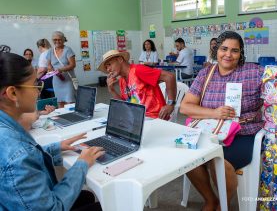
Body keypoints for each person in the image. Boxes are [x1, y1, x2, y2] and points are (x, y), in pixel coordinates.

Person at [0, 52, 104, 210]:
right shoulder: (17, 154)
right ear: (12, 93)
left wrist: (55, 148)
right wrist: (81, 164)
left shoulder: (8, 133)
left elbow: (24, 159)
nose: (38, 91)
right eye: (35, 85)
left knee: (86, 196)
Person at [180, 31, 264, 211]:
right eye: (224, 49)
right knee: (187, 156)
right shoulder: (205, 74)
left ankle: (223, 203)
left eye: (235, 50)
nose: (228, 54)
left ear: (241, 54)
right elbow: (185, 107)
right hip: (210, 130)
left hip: (243, 132)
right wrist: (214, 112)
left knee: (217, 160)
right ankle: (210, 200)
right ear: (216, 49)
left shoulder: (253, 72)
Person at [98, 50, 177, 120]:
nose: (108, 69)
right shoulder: (122, 80)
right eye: (106, 67)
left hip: (154, 118)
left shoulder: (138, 70)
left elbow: (169, 77)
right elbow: (125, 106)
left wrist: (170, 104)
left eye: (109, 64)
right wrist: (111, 90)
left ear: (120, 59)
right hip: (138, 119)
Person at [46, 31, 77, 108]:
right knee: (60, 102)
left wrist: (61, 70)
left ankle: (71, 118)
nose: (57, 41)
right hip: (57, 80)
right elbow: (49, 64)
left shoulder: (68, 50)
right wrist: (50, 68)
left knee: (70, 101)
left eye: (59, 39)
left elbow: (73, 65)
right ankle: (62, 118)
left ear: (63, 40)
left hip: (68, 80)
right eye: (55, 39)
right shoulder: (50, 51)